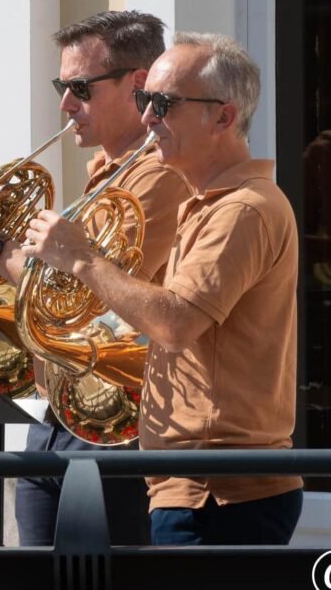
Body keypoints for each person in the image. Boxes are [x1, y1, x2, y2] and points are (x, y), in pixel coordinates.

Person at [20, 32, 303, 545]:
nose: (147, 117)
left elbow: (174, 324)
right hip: (189, 486)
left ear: (224, 117)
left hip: (218, 492)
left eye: (165, 103)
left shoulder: (242, 208)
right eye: (147, 100)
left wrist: (81, 258)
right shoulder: (207, 204)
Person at [0, 10, 191, 546]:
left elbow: (82, 297)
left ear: (137, 85)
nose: (65, 104)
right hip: (55, 412)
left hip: (114, 420)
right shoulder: (105, 170)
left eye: (79, 88)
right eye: (62, 86)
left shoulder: (159, 176)